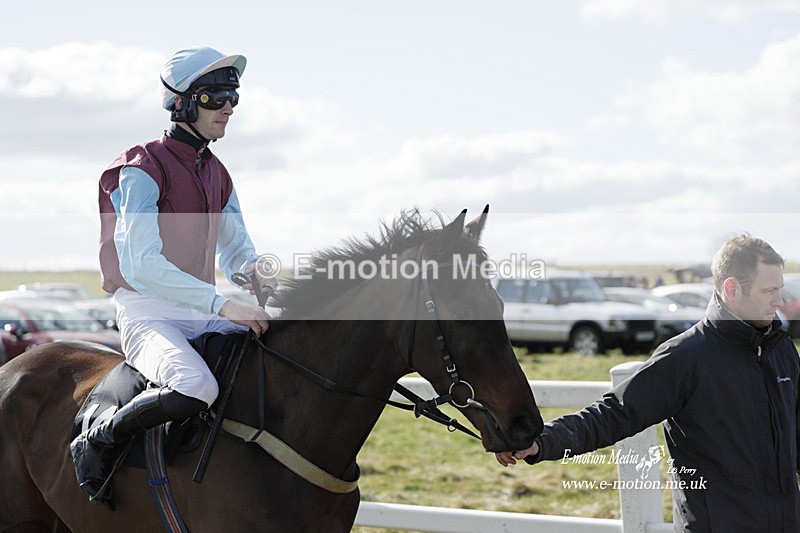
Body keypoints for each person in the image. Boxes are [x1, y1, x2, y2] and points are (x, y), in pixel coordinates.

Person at [70, 46, 272, 509]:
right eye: (216, 96)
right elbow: (142, 265)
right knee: (195, 386)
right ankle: (97, 441)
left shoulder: (218, 172)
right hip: (147, 311)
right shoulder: (141, 169)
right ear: (182, 103)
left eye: (233, 97)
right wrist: (224, 304)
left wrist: (259, 276)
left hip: (199, 309)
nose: (229, 107)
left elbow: (237, 248)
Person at [496, 234, 800, 532]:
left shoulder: (781, 350)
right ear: (732, 289)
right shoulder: (686, 357)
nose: (779, 299)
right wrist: (541, 441)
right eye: (769, 290)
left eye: (780, 288)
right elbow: (614, 414)